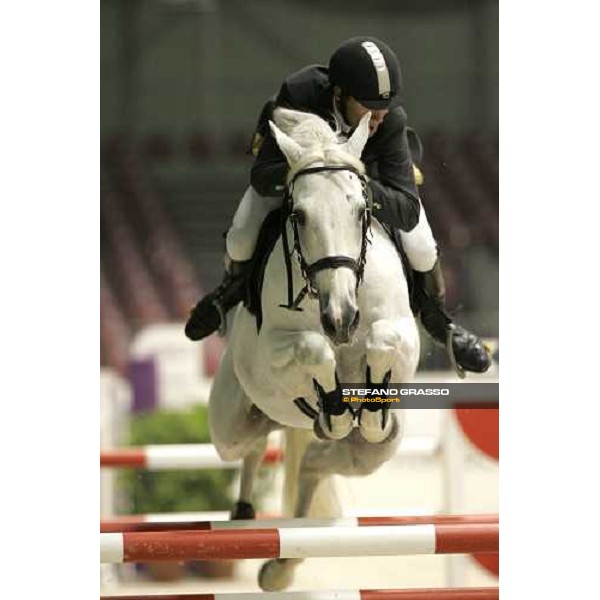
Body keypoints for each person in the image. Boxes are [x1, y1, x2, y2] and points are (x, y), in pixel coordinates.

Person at [185, 36, 491, 374]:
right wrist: (315, 172)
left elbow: (406, 208)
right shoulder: (299, 97)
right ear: (339, 93)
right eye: (367, 105)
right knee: (241, 234)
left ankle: (439, 323)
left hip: (361, 186)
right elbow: (263, 176)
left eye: (383, 107)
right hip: (298, 181)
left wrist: (355, 185)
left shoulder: (390, 123)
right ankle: (229, 291)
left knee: (421, 246)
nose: (377, 117)